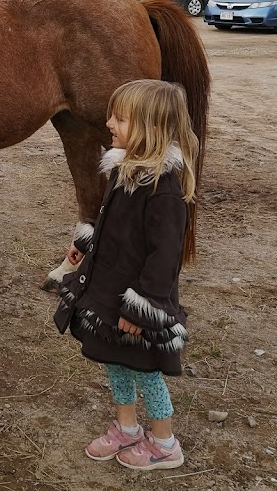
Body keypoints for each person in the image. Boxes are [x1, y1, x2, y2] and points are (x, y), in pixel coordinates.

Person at [53, 79, 200, 471]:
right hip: (110, 292)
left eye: (120, 118)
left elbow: (164, 257)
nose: (109, 124)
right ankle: (127, 428)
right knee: (114, 361)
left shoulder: (164, 190)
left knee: (147, 372)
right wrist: (86, 242)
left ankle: (165, 443)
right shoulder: (125, 169)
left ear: (150, 129)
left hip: (136, 300)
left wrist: (143, 310)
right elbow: (112, 223)